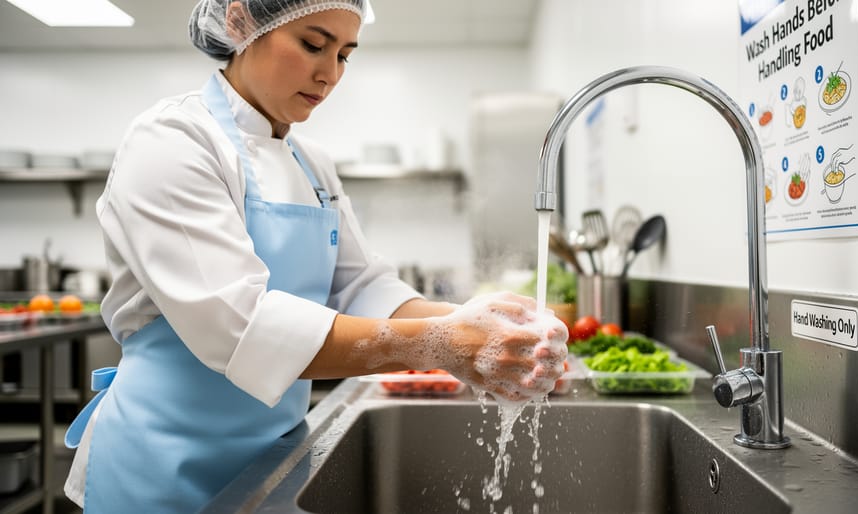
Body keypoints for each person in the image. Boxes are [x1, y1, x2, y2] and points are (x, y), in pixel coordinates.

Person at [63, 0, 567, 511]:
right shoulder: (172, 141)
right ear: (240, 21)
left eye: (346, 54)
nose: (329, 74)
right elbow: (241, 327)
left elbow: (364, 286)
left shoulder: (312, 163)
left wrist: (485, 325)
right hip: (160, 469)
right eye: (312, 44)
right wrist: (441, 344)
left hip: (272, 457)